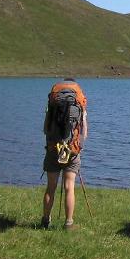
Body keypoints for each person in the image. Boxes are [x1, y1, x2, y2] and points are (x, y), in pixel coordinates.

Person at [42, 76, 88, 230]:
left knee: (51, 187)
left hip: (53, 148)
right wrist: (79, 146)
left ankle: (45, 220)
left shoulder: (53, 103)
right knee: (69, 186)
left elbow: (45, 129)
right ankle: (68, 223)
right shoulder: (79, 101)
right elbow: (84, 132)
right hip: (72, 150)